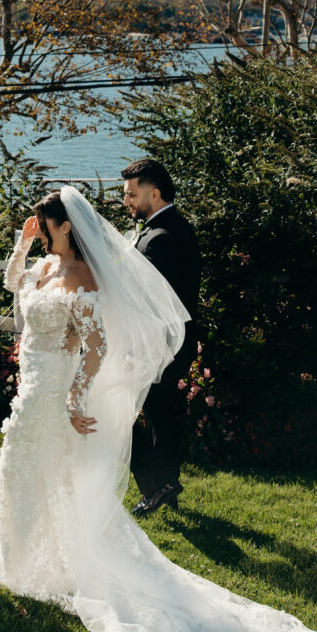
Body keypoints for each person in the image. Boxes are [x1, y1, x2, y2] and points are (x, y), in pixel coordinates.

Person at [0, 186, 317, 632]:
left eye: (45, 225)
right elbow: (14, 288)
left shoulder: (86, 279)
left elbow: (93, 346)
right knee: (23, 474)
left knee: (46, 476)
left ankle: (38, 568)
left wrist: (74, 398)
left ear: (66, 227)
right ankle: (22, 566)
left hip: (54, 394)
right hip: (29, 387)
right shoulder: (42, 263)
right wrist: (22, 248)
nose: (39, 229)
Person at [121, 158, 201, 516]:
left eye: (132, 194)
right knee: (159, 411)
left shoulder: (161, 239)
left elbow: (148, 302)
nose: (127, 201)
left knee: (117, 411)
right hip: (171, 342)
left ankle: (156, 484)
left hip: (161, 344)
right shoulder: (168, 227)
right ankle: (164, 484)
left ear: (154, 193)